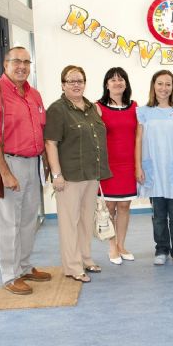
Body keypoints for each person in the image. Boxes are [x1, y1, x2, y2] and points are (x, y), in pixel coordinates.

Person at [0, 46, 50, 295]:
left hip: (32, 163)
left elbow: (41, 130)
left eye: (27, 62)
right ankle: (10, 275)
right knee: (9, 222)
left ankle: (25, 266)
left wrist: (46, 163)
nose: (22, 66)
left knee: (28, 220)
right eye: (17, 61)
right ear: (5, 64)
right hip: (9, 163)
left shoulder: (34, 95)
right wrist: (5, 172)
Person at [44, 65, 111, 283]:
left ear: (85, 82)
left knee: (85, 220)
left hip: (91, 173)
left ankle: (86, 258)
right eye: (71, 81)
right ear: (62, 84)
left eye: (79, 80)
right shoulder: (57, 109)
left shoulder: (92, 108)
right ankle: (72, 267)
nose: (76, 84)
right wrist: (57, 175)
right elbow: (51, 143)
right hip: (70, 176)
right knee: (69, 222)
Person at [136, 70, 173, 266]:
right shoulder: (144, 112)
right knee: (159, 215)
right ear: (153, 86)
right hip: (154, 171)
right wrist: (138, 167)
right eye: (160, 84)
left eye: (168, 84)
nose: (164, 88)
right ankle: (161, 249)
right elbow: (138, 140)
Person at [97, 67, 137, 265]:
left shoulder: (134, 107)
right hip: (108, 166)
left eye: (121, 79)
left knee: (124, 206)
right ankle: (112, 247)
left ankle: (122, 244)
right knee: (109, 207)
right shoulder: (98, 107)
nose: (117, 83)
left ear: (126, 84)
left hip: (129, 165)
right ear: (106, 84)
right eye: (112, 80)